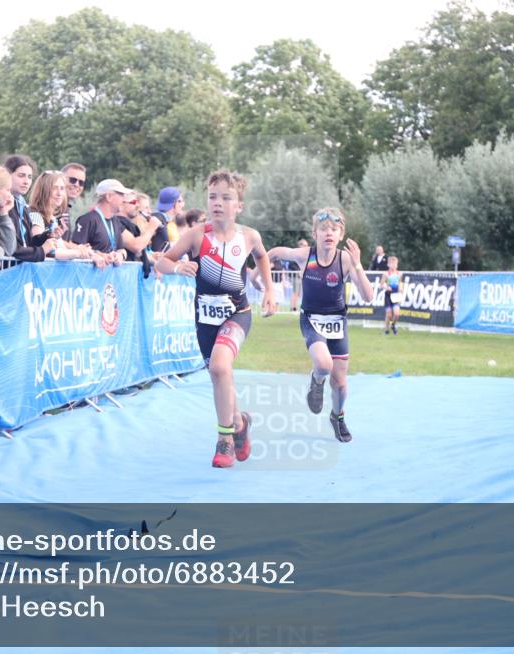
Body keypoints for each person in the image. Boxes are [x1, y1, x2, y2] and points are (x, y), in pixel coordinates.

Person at [155, 170, 277, 468]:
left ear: (239, 206)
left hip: (237, 313)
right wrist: (178, 268)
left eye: (226, 197)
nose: (218, 203)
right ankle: (238, 422)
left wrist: (269, 290)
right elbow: (163, 260)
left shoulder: (249, 236)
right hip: (205, 318)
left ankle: (224, 440)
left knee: (221, 367)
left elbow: (262, 256)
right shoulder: (196, 236)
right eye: (213, 197)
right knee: (218, 374)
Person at [267, 209, 374, 442]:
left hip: (337, 321)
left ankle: (338, 416)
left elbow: (368, 296)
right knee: (324, 365)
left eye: (334, 230)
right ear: (315, 233)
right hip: (311, 319)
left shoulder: (345, 260)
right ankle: (316, 381)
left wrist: (357, 266)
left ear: (341, 234)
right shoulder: (306, 255)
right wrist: (260, 278)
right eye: (324, 229)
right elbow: (274, 253)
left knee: (341, 384)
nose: (329, 233)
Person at [69, 179, 129, 264]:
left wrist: (120, 256)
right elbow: (75, 249)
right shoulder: (87, 220)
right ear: (109, 197)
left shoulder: (115, 221)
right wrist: (97, 255)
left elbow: (121, 249)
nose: (124, 200)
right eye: (121, 195)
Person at [149, 186, 185, 252]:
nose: (183, 205)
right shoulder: (158, 219)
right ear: (174, 204)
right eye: (180, 201)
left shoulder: (169, 221)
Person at [61, 162, 87, 234]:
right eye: (73, 180)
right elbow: (51, 239)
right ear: (61, 179)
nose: (77, 185)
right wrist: (75, 246)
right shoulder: (51, 206)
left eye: (81, 183)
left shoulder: (68, 208)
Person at [382, 255, 402, 335]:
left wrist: (401, 288)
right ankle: (387, 330)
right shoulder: (386, 274)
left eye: (395, 264)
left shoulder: (399, 274)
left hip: (396, 295)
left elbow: (400, 282)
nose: (393, 266)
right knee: (389, 315)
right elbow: (381, 284)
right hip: (388, 295)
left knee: (396, 314)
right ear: (388, 264)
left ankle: (393, 325)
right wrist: (386, 287)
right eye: (392, 264)